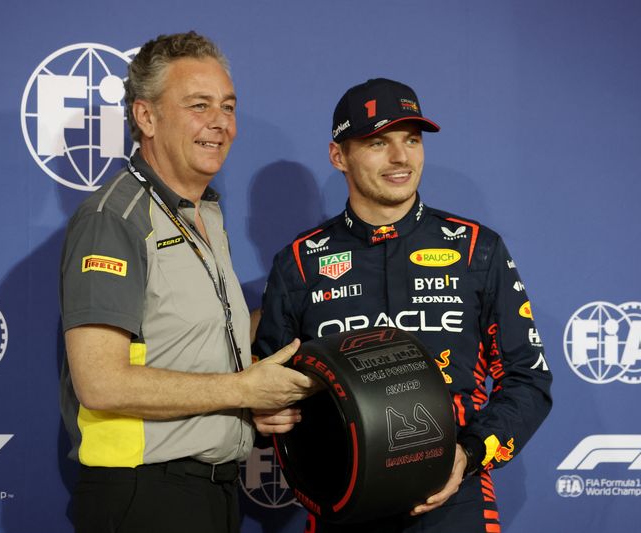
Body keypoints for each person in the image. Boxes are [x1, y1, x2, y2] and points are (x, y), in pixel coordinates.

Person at [253, 78, 553, 532]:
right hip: (341, 501)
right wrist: (265, 410)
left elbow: (528, 380)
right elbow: (268, 381)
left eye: (411, 141)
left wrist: (467, 455)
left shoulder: (477, 249)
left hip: (455, 499)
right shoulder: (300, 261)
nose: (401, 158)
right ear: (339, 156)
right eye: (378, 142)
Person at [58, 32, 316, 533]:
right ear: (146, 117)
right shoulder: (115, 218)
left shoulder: (205, 214)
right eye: (199, 106)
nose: (220, 123)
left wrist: (309, 321)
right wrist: (244, 389)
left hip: (212, 494)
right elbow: (101, 382)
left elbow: (191, 343)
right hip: (143, 496)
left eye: (228, 106)